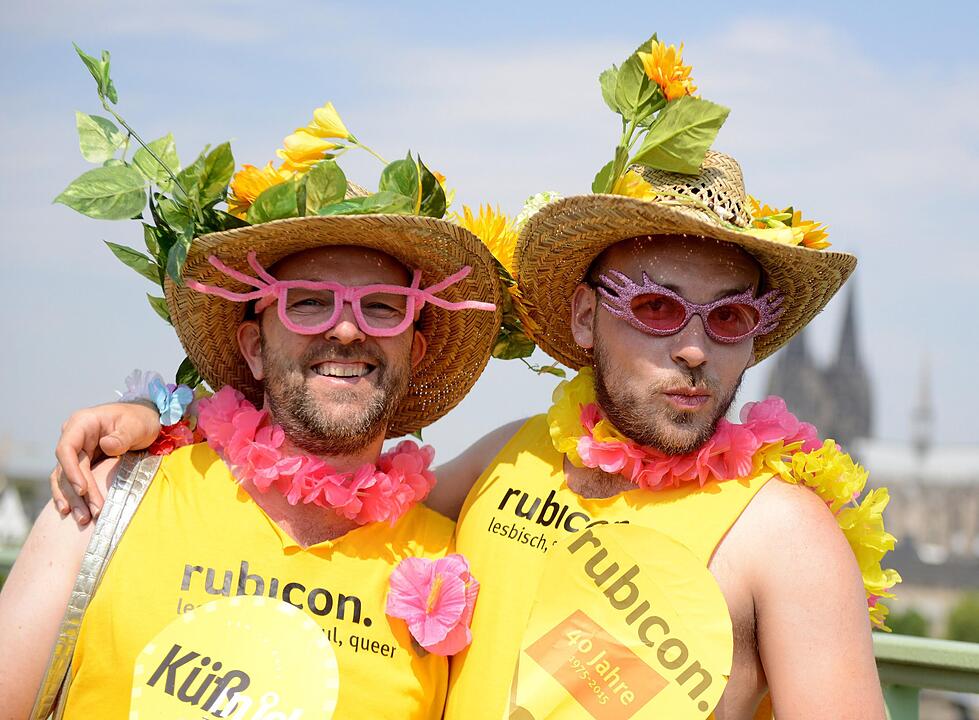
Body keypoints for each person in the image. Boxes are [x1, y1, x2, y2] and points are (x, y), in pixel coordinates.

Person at [41, 36, 899, 719]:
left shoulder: (785, 535)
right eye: (657, 308)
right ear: (580, 319)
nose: (692, 348)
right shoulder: (509, 459)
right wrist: (165, 417)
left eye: (729, 319)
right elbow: (332, 484)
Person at [0, 63, 504, 719]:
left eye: (382, 307)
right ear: (253, 349)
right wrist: (156, 417)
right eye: (307, 303)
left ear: (419, 348)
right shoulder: (111, 495)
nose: (347, 330)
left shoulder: (450, 570)